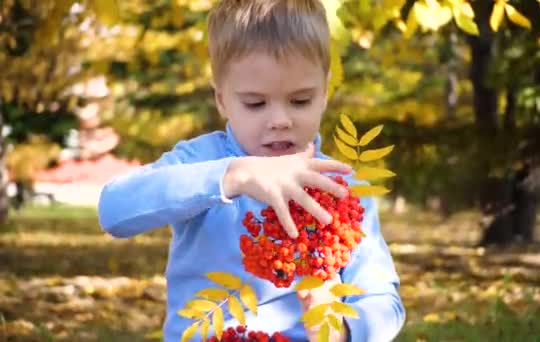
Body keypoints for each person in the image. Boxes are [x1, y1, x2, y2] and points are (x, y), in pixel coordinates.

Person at [97, 1, 405, 341]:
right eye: (255, 103)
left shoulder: (342, 186)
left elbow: (383, 298)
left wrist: (344, 331)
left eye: (300, 100)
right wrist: (233, 176)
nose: (279, 121)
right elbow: (114, 210)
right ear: (222, 99)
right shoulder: (203, 162)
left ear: (325, 92)